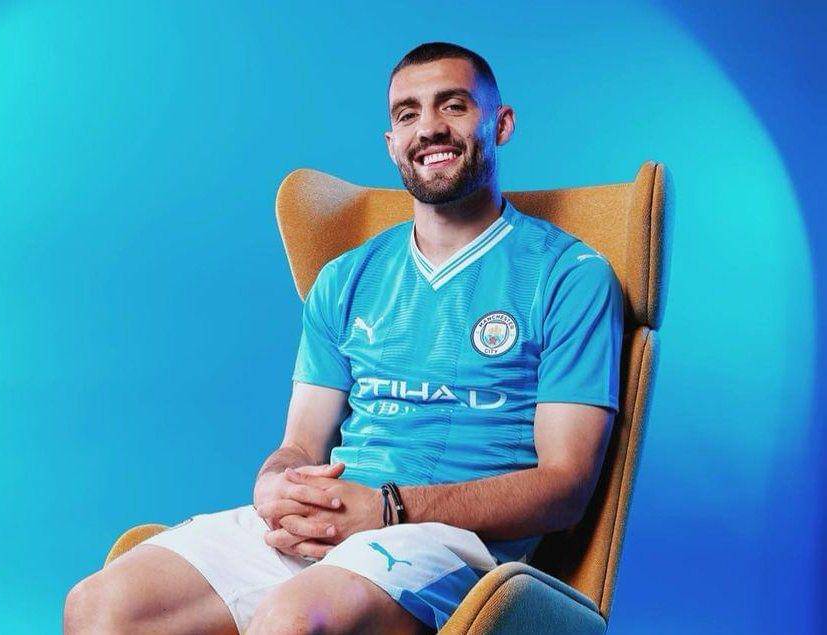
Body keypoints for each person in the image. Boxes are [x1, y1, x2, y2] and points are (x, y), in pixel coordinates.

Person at [63, 41, 624, 635]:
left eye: (454, 106)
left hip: (451, 541)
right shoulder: (345, 278)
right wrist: (276, 483)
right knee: (97, 608)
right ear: (392, 142)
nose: (429, 128)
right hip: (335, 516)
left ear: (501, 124)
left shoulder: (569, 275)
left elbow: (565, 488)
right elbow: (300, 445)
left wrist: (389, 509)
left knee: (293, 621)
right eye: (408, 114)